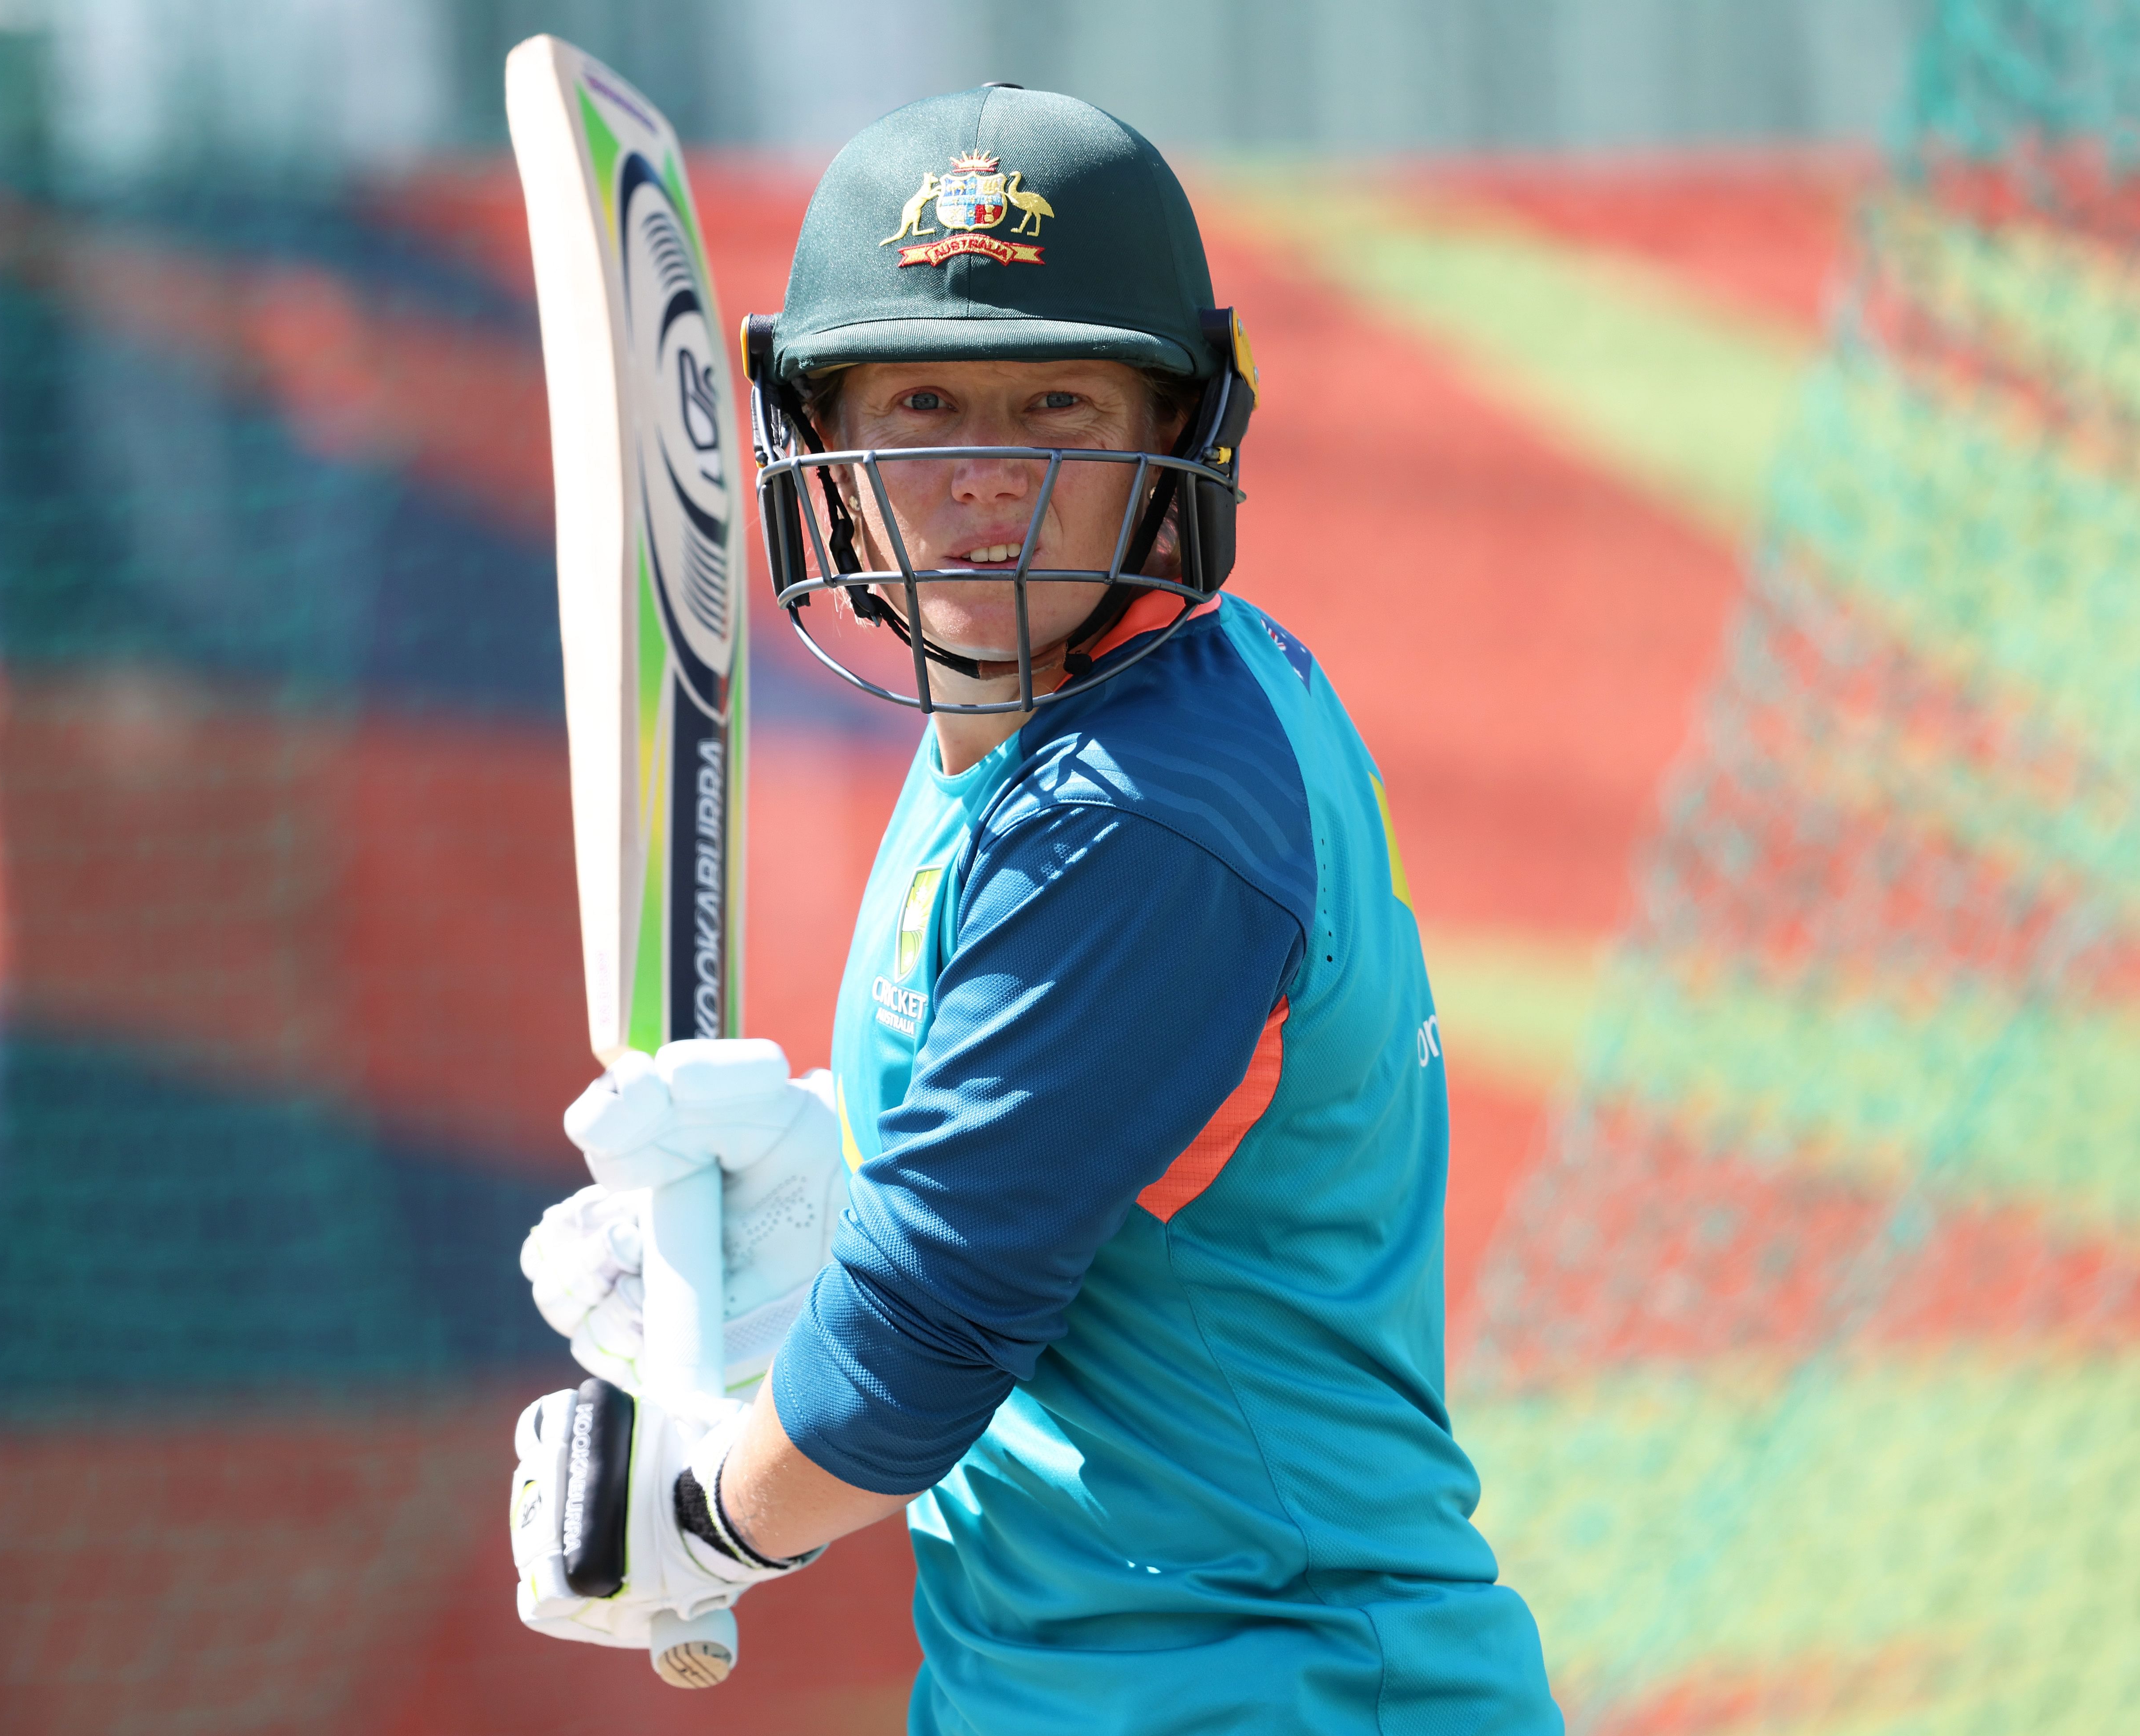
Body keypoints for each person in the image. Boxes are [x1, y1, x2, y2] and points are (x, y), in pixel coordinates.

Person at [511, 85, 1564, 1734]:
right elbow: (1085, 1164)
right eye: (923, 401)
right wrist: (820, 1192)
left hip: (1263, 1690)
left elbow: (925, 1341)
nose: (986, 473)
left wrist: (700, 1517)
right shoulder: (1061, 716)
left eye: (1058, 405)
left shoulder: (1133, 810)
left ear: (1176, 432)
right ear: (823, 444)